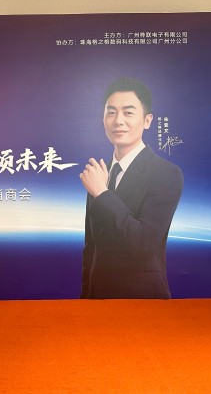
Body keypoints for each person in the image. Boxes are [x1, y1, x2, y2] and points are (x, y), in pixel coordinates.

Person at [79, 77, 183, 299]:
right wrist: (86, 298)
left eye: (128, 112)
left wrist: (102, 194)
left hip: (141, 298)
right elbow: (91, 247)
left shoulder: (166, 173)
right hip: (97, 296)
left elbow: (143, 243)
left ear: (147, 120)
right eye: (111, 112)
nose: (118, 121)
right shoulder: (101, 173)